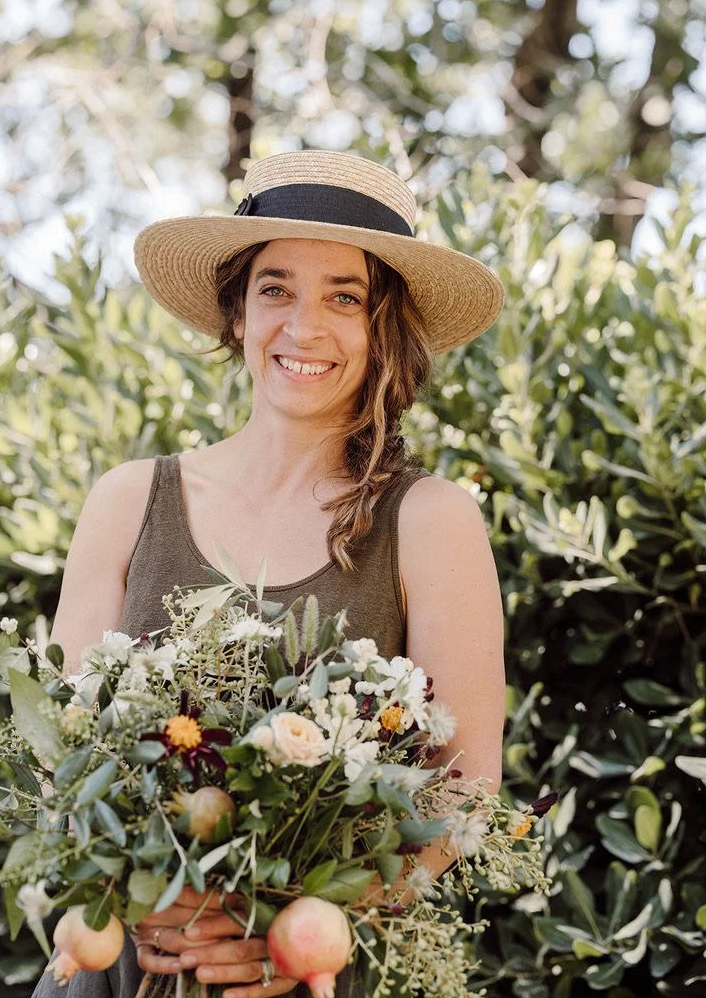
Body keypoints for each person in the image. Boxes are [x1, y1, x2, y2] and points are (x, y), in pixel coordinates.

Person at [33, 149, 507, 998]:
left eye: (344, 297)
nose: (303, 326)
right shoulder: (128, 501)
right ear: (238, 314)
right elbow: (54, 765)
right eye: (276, 288)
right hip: (122, 967)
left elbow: (464, 795)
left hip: (313, 976)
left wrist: (303, 933)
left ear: (383, 324)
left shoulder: (432, 523)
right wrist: (136, 894)